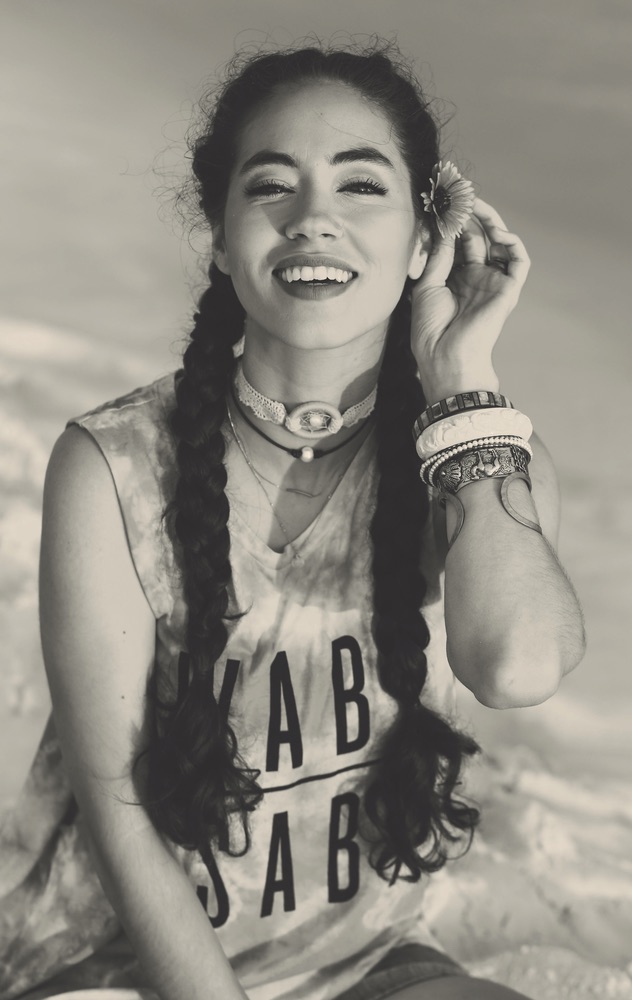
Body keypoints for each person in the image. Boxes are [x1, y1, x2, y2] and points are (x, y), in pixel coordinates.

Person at [1, 39, 585, 1000]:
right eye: (271, 186)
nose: (314, 219)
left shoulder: (476, 460)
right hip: (115, 962)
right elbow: (115, 805)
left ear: (425, 242)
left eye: (362, 188)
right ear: (221, 241)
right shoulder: (110, 466)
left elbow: (516, 665)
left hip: (357, 962)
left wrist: (463, 379)